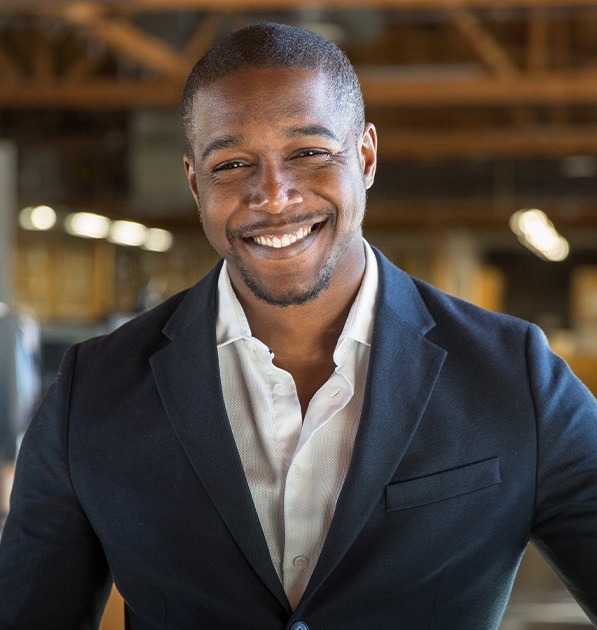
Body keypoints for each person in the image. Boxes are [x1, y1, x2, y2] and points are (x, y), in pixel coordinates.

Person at [0, 22, 596, 630]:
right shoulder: (92, 391)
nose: (274, 195)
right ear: (194, 182)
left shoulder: (514, 374)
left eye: (309, 153)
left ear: (364, 156)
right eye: (231, 163)